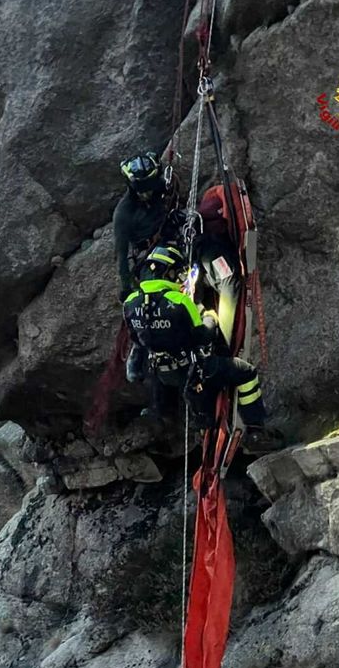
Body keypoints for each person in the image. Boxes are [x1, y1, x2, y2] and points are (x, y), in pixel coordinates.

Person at [122, 244, 280, 450]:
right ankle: (256, 431)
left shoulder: (130, 303)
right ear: (167, 273)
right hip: (194, 370)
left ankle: (190, 423)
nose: (180, 279)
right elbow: (204, 337)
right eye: (177, 274)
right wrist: (209, 316)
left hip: (162, 375)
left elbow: (137, 340)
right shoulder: (179, 300)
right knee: (246, 373)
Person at [113, 151, 183, 302]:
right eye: (142, 191)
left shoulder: (158, 186)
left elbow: (172, 192)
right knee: (154, 295)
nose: (148, 194)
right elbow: (121, 255)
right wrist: (126, 288)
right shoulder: (123, 213)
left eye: (150, 187)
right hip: (149, 255)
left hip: (175, 237)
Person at [193, 190, 242, 349]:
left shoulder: (210, 205)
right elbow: (229, 282)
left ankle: (209, 329)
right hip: (210, 249)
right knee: (229, 282)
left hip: (198, 251)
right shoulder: (215, 211)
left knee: (198, 289)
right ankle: (223, 343)